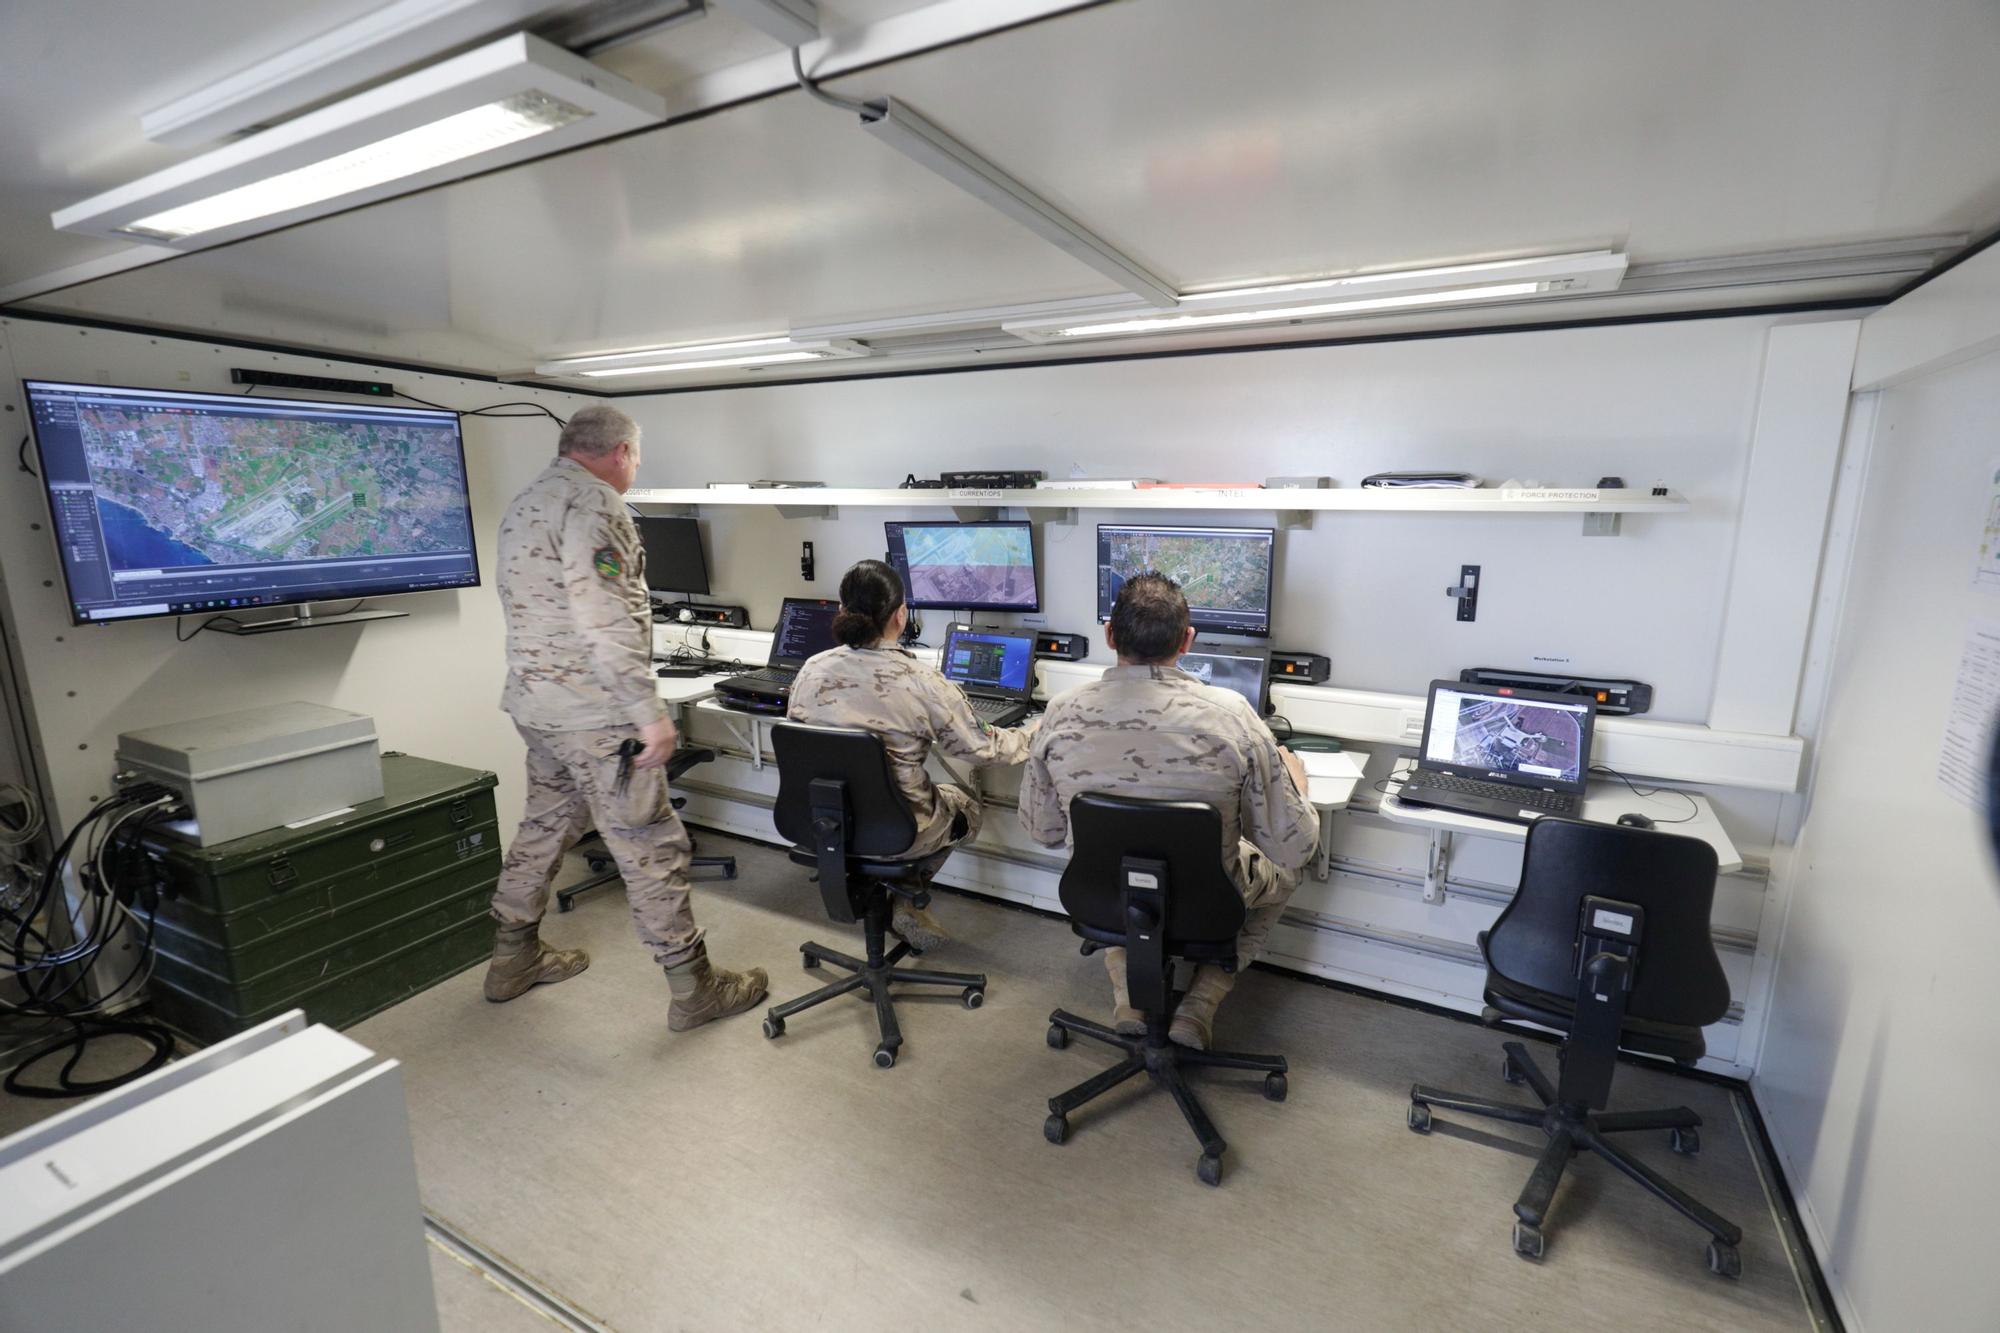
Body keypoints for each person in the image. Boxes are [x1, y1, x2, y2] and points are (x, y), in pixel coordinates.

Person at [484, 405, 767, 1031]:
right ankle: (695, 989)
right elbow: (605, 619)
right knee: (650, 844)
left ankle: (512, 958)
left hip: (537, 706)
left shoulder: (528, 501)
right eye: (636, 458)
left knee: (545, 825)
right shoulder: (598, 506)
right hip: (597, 716)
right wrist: (650, 715)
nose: (635, 469)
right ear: (619, 453)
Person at [1018, 573, 1318, 1050]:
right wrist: (1297, 788)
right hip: (1208, 901)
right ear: (1187, 640)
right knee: (1287, 875)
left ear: (1110, 635)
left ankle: (1127, 994)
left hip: (1102, 895)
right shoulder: (1233, 715)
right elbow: (1293, 847)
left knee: (1118, 865)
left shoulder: (1061, 712)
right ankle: (1200, 1005)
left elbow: (1043, 830)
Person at [786, 559, 1038, 950]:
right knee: (965, 806)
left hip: (825, 823)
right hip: (902, 831)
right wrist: (1036, 730)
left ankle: (899, 897)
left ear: (841, 610)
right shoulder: (923, 682)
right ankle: (905, 895)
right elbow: (984, 750)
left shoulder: (811, 670)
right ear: (901, 616)